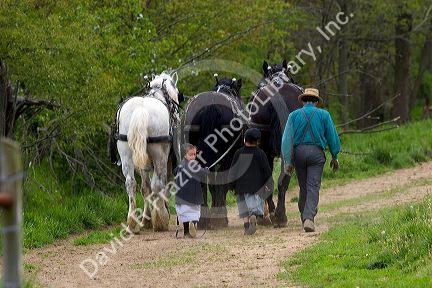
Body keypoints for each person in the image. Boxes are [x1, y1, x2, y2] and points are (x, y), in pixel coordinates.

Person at [281, 88, 341, 232]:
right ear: (316, 102)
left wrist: (288, 161)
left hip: (299, 154)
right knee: (313, 186)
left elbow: (286, 140)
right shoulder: (324, 115)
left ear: (303, 101)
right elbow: (332, 138)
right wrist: (335, 156)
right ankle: (309, 218)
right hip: (316, 154)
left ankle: (304, 216)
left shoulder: (293, 115)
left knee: (303, 187)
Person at [228, 128, 273, 235]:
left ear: (244, 140)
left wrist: (231, 185)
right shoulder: (261, 153)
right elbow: (267, 171)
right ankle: (254, 216)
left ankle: (246, 226)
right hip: (256, 187)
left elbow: (233, 171)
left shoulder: (238, 153)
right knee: (253, 206)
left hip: (241, 186)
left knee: (243, 209)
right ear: (258, 141)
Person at [174, 143, 209, 238]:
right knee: (194, 212)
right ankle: (193, 223)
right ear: (185, 155)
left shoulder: (181, 164)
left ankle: (186, 232)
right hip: (193, 194)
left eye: (194, 154)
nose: (193, 157)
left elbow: (175, 171)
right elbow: (202, 173)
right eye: (191, 155)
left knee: (185, 214)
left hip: (182, 195)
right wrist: (206, 170)